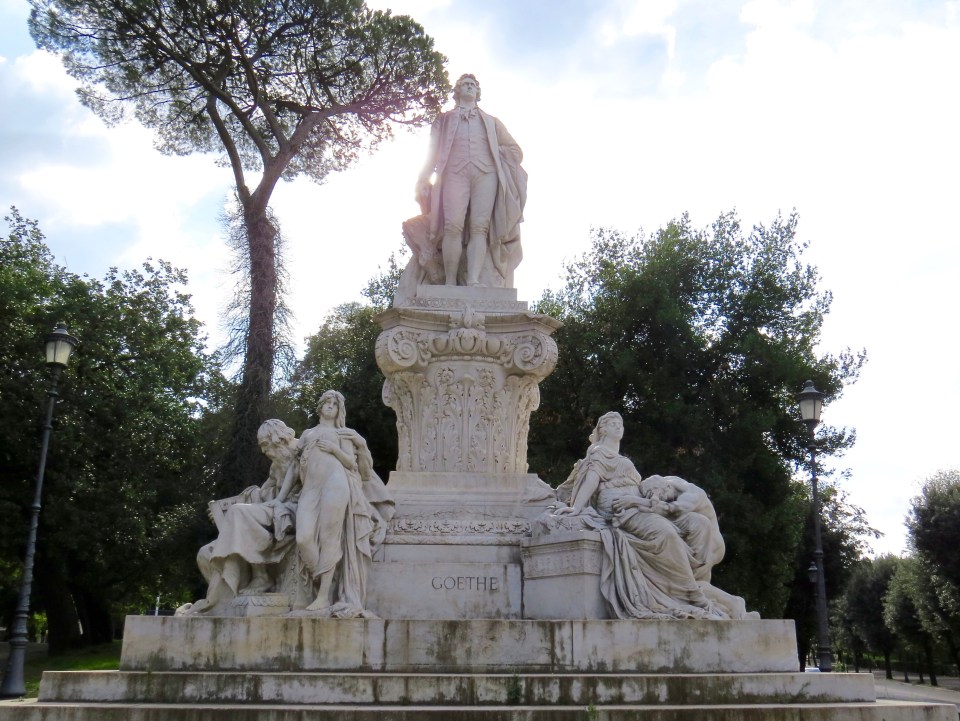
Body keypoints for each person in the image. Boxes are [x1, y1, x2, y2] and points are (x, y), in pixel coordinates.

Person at [555, 412, 754, 619]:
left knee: (698, 523)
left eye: (620, 424)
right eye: (612, 424)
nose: (618, 427)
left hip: (640, 506)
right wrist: (576, 507)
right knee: (665, 532)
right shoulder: (599, 453)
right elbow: (591, 481)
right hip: (618, 507)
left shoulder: (623, 460)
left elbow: (649, 494)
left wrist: (650, 498)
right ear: (602, 430)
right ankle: (691, 593)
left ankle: (690, 580)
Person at [273, 390, 394, 616]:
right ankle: (325, 579)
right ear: (319, 407)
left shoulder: (343, 433)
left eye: (335, 403)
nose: (330, 406)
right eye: (327, 402)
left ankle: (323, 596)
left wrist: (334, 449)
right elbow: (294, 467)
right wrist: (279, 499)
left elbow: (351, 463)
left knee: (330, 539)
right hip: (310, 489)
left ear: (339, 410)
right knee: (304, 537)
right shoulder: (308, 433)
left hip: (335, 485)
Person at [412, 73, 527, 288]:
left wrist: (497, 154)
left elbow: (515, 151)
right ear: (457, 91)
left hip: (486, 174)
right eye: (465, 84)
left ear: (478, 92)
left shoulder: (492, 122)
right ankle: (450, 281)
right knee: (452, 226)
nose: (469, 87)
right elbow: (432, 153)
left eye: (473, 85)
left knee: (479, 228)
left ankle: (473, 280)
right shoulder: (443, 119)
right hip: (453, 174)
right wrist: (423, 178)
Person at [184, 419, 299, 615]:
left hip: (297, 512)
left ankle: (262, 576)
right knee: (206, 552)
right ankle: (223, 599)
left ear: (277, 439)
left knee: (239, 511)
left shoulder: (302, 452)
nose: (263, 451)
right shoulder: (276, 466)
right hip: (277, 509)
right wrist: (223, 513)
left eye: (265, 444)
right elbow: (261, 495)